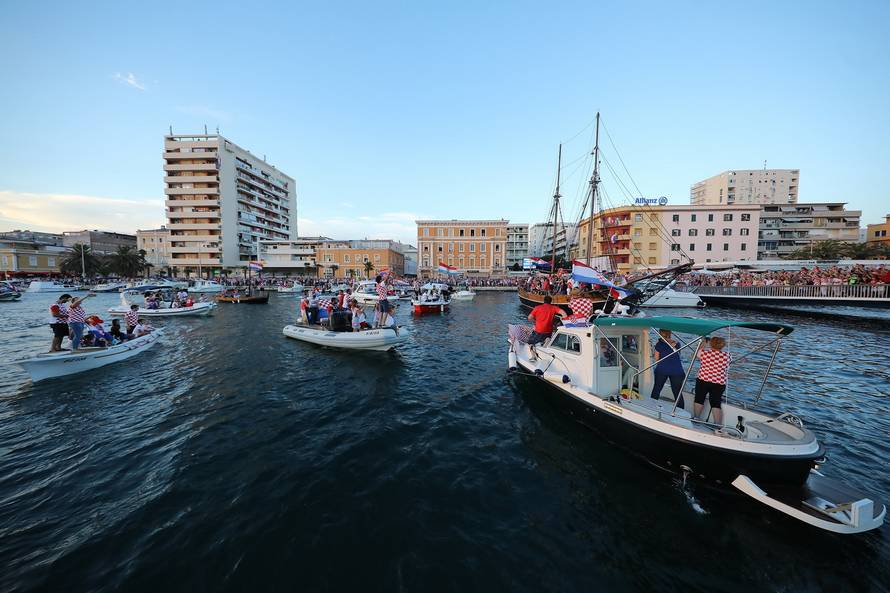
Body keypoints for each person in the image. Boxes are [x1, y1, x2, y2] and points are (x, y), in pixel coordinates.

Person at [694, 336, 731, 425]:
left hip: (703, 379)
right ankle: (717, 424)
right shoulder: (727, 356)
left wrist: (703, 343)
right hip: (719, 382)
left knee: (699, 399)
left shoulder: (704, 353)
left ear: (710, 344)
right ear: (722, 345)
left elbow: (697, 353)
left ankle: (696, 418)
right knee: (716, 402)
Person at [650, 329, 686, 408]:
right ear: (670, 333)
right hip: (677, 371)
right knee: (677, 393)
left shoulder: (659, 345)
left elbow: (656, 359)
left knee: (657, 389)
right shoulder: (677, 344)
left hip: (662, 370)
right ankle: (680, 411)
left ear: (660, 334)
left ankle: (652, 407)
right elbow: (678, 355)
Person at [526, 294, 566, 361]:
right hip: (549, 331)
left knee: (530, 342)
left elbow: (529, 318)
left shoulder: (537, 308)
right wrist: (564, 320)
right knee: (546, 337)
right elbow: (563, 313)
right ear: (550, 301)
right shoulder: (554, 308)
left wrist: (535, 322)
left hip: (539, 330)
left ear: (543, 301)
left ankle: (534, 357)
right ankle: (547, 340)